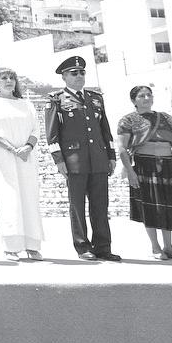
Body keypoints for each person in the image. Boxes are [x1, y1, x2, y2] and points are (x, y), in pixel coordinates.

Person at [44, 56, 121, 262]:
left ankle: (103, 247)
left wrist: (111, 156)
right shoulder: (56, 99)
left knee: (100, 205)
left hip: (98, 159)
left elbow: (105, 130)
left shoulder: (95, 98)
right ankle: (82, 246)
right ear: (64, 77)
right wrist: (59, 160)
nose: (79, 76)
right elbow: (52, 135)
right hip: (74, 161)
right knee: (77, 206)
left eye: (82, 72)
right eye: (74, 73)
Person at [117, 86, 172, 260]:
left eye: (149, 95)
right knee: (149, 206)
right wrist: (130, 172)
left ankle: (169, 247)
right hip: (145, 165)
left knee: (167, 205)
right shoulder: (127, 120)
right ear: (133, 100)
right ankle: (155, 247)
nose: (146, 98)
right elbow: (122, 148)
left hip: (168, 164)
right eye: (141, 96)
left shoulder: (166, 118)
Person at [0, 68, 44, 261]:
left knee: (29, 198)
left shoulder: (27, 104)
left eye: (11, 78)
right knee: (9, 198)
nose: (9, 81)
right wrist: (12, 149)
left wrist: (27, 147)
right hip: (4, 157)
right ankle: (11, 247)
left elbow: (36, 129)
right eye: (4, 78)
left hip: (27, 157)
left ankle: (32, 246)